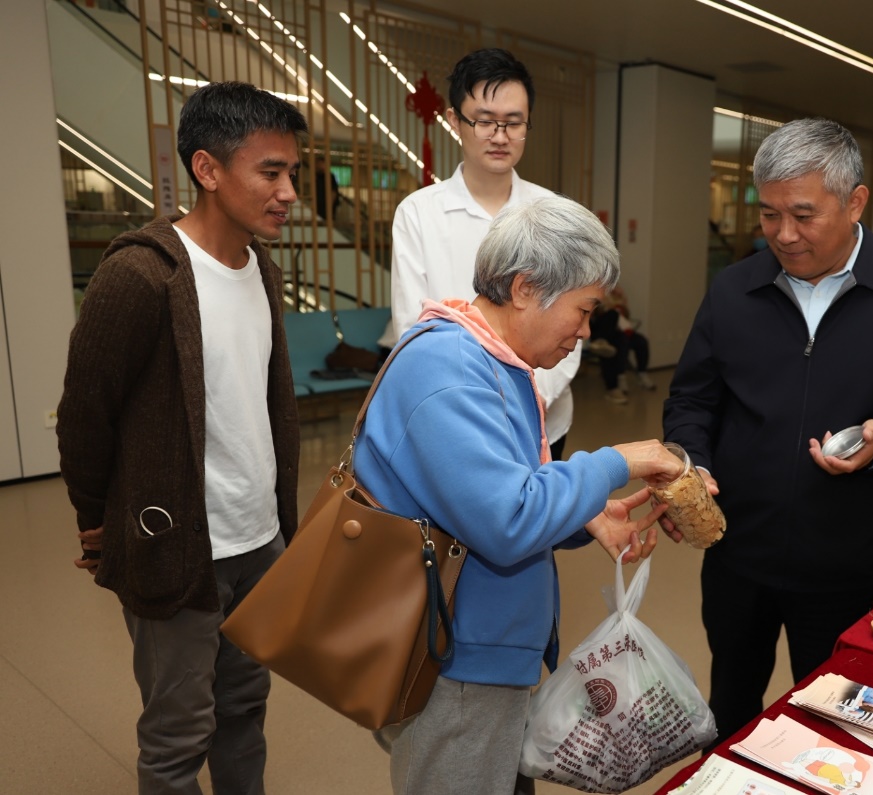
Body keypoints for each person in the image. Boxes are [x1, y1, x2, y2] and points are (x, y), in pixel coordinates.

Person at [662, 118, 873, 749]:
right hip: (736, 556)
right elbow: (692, 399)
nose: (783, 235)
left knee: (837, 726)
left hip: (842, 562)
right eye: (770, 215)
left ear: (855, 202)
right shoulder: (734, 290)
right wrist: (689, 464)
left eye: (803, 215)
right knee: (732, 706)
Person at [358, 195, 685, 794]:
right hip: (453, 664)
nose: (586, 333)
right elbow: (507, 521)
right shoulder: (448, 369)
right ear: (527, 288)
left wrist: (584, 515)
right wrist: (617, 462)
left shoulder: (493, 360)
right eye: (583, 311)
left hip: (480, 647)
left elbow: (498, 498)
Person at [56, 81, 306, 794]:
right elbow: (85, 414)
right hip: (177, 546)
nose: (288, 191)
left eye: (293, 172)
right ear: (207, 168)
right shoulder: (139, 275)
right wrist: (96, 523)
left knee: (243, 710)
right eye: (270, 171)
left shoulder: (264, 269)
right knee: (176, 735)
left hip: (260, 543)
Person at [380, 48, 580, 460]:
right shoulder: (418, 213)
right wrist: (478, 407)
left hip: (543, 416)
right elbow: (412, 328)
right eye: (485, 121)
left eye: (513, 123)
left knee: (545, 518)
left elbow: (572, 325)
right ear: (455, 120)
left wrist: (530, 397)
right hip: (456, 420)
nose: (500, 136)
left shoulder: (556, 215)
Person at [589, 286, 656, 402]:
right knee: (616, 337)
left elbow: (627, 315)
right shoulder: (595, 293)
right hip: (604, 332)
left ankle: (641, 373)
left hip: (621, 332)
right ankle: (619, 378)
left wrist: (622, 303)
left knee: (641, 341)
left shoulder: (619, 296)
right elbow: (593, 316)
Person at [313, 153, 341, 222]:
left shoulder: (329, 177)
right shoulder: (318, 176)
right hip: (319, 206)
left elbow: (333, 192)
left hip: (326, 206)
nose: (316, 165)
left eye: (318, 163)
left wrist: (329, 206)